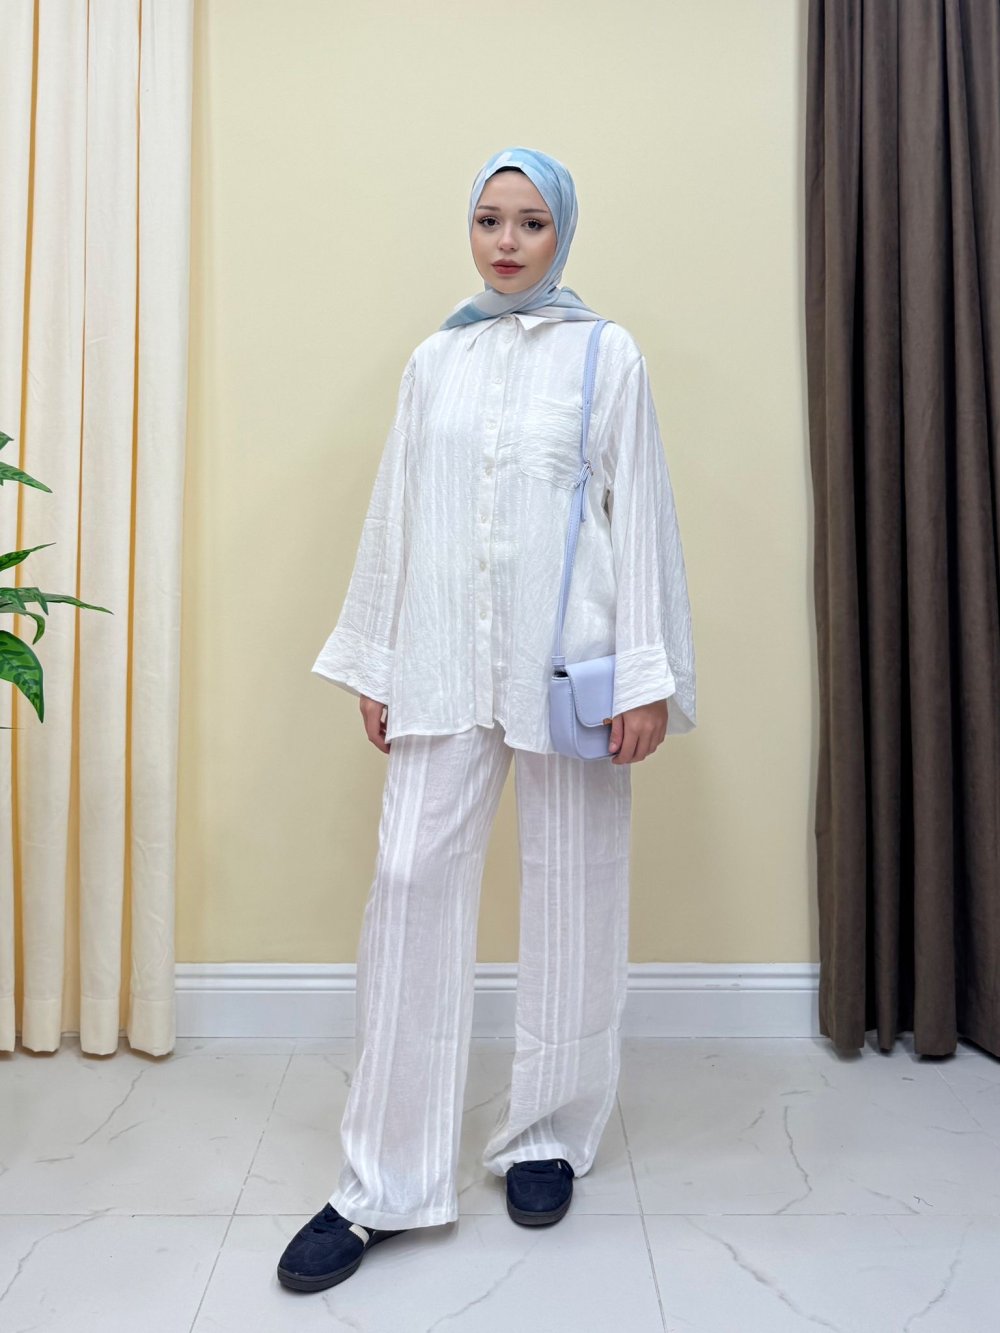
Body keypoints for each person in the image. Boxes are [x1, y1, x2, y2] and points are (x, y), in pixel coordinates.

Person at [277, 145, 696, 1295]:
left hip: (571, 667)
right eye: (488, 219)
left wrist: (643, 677)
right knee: (409, 879)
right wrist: (377, 658)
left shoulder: (607, 356)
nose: (506, 242)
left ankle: (545, 1136)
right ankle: (381, 1181)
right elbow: (396, 510)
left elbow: (639, 512)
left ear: (562, 233)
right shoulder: (435, 361)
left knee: (574, 887)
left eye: (530, 222)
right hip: (440, 655)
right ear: (468, 229)